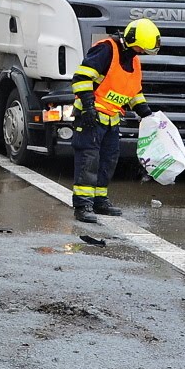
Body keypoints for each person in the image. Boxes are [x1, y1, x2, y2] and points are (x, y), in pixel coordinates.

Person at [69, 19, 161, 225]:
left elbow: (133, 92)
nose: (142, 52)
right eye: (141, 48)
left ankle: (99, 200)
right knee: (88, 160)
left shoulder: (133, 61)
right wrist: (88, 106)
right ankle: (82, 205)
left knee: (108, 160)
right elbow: (81, 78)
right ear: (132, 40)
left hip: (111, 120)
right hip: (91, 117)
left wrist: (146, 113)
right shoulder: (106, 50)